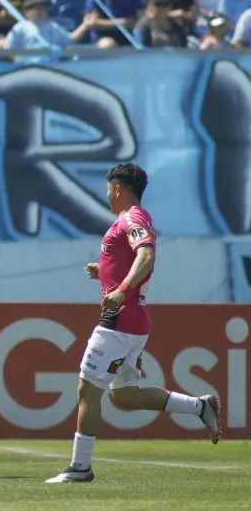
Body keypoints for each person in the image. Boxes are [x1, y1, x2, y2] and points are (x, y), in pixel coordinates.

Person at [44, 163, 222, 483]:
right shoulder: (137, 218)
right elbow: (135, 258)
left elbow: (146, 256)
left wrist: (121, 288)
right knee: (125, 396)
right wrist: (106, 271)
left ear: (117, 189)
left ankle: (80, 468)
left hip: (119, 320)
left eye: (108, 189)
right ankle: (200, 407)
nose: (107, 195)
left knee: (87, 390)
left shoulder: (132, 218)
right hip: (134, 322)